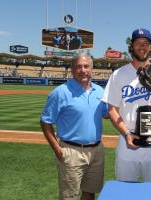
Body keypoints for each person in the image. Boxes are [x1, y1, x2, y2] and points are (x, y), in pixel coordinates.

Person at [101, 28, 151, 183]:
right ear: (131, 46)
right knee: (125, 193)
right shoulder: (118, 74)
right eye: (138, 43)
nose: (142, 47)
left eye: (146, 43)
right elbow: (112, 110)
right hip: (129, 141)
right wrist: (127, 134)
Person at [40, 53, 108, 200]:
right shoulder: (60, 92)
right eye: (78, 67)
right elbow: (45, 121)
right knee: (68, 196)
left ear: (92, 69)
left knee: (90, 192)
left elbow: (107, 114)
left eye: (86, 66)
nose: (82, 70)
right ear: (72, 70)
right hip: (71, 151)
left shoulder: (100, 91)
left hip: (96, 151)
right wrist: (57, 149)